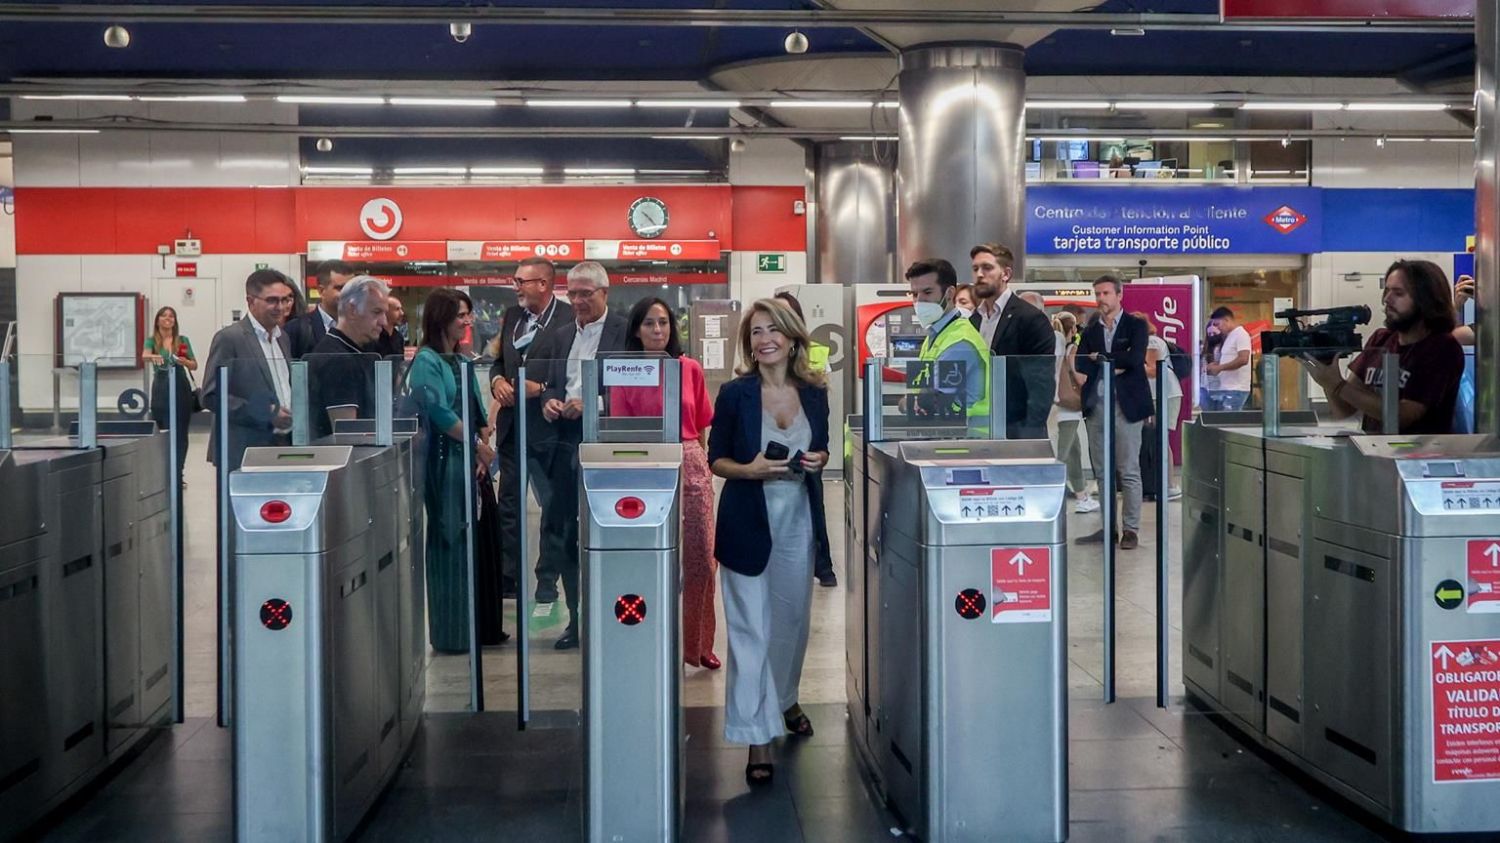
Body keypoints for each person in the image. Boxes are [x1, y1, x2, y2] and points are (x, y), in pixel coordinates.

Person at [708, 298, 831, 785]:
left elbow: (820, 445)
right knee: (749, 631)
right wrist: (750, 469)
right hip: (745, 521)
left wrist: (817, 458)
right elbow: (716, 458)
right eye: (755, 333)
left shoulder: (816, 392)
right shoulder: (735, 394)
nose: (764, 340)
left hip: (797, 522)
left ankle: (782, 699)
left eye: (772, 330)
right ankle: (756, 736)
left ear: (792, 336)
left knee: (790, 623)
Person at [609, 296, 721, 670]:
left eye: (663, 323)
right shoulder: (625, 371)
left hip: (689, 463)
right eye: (649, 324)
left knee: (702, 558)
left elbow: (702, 422)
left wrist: (699, 464)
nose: (658, 330)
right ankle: (648, 638)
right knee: (650, 558)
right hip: (644, 465)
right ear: (636, 331)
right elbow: (622, 431)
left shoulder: (688, 368)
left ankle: (698, 644)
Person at [533, 260, 629, 650]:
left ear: (605, 293)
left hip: (609, 444)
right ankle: (578, 618)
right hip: (564, 444)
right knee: (565, 535)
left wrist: (593, 404)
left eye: (586, 293)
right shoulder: (558, 337)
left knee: (611, 531)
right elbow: (548, 384)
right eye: (571, 293)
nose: (577, 301)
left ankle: (619, 616)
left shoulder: (625, 332)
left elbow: (633, 387)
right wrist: (549, 401)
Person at [406, 288, 505, 652]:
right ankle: (451, 633)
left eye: (469, 314)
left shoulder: (461, 361)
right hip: (445, 460)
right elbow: (439, 413)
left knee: (473, 541)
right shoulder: (427, 361)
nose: (467, 321)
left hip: (471, 460)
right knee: (449, 538)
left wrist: (482, 446)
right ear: (442, 317)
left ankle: (477, 626)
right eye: (461, 314)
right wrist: (477, 447)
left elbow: (476, 410)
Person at [487, 257, 574, 606]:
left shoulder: (568, 319)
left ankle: (547, 579)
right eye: (516, 281)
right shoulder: (512, 317)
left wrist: (541, 389)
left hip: (549, 428)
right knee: (508, 504)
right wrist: (496, 381)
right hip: (511, 428)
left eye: (523, 281)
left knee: (553, 507)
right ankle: (509, 578)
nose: (517, 287)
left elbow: (575, 371)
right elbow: (498, 359)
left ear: (544, 284)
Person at [1301, 259, 1464, 435]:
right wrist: (1326, 371)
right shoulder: (1381, 340)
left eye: (1398, 293)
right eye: (1386, 291)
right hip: (1375, 452)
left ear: (1426, 300)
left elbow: (1403, 416)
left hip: (1418, 456)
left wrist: (1338, 385)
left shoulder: (1442, 348)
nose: (1387, 299)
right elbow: (1344, 410)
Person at [1074, 275, 1151, 550]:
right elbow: (1082, 362)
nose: (1101, 299)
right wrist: (1111, 361)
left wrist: (1103, 359)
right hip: (1097, 404)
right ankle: (1109, 528)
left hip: (1126, 405)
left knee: (1128, 469)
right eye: (1097, 293)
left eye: (1105, 293)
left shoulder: (1136, 325)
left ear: (1119, 295)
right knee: (1103, 472)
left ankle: (1131, 529)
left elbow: (1135, 358)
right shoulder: (1092, 328)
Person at [200, 269, 295, 473]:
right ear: (251, 301)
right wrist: (266, 412)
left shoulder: (283, 338)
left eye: (284, 300)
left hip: (282, 445)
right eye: (272, 300)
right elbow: (211, 395)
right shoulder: (230, 338)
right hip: (243, 450)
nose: (280, 307)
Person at [772, 291, 836, 588]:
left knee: (813, 499)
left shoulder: (815, 356)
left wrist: (821, 454)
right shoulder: (756, 370)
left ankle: (822, 565)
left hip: (806, 443)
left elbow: (821, 420)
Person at [969, 243, 1056, 439]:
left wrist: (1029, 435)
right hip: (979, 427)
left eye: (987, 268)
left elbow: (1041, 385)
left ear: (1006, 274)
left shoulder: (1030, 318)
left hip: (1017, 428)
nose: (979, 275)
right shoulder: (974, 320)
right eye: (975, 269)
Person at [905, 258, 989, 428]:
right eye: (915, 294)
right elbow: (918, 395)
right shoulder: (935, 336)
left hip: (969, 438)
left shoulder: (960, 341)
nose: (919, 301)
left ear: (950, 294)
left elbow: (928, 401)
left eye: (927, 292)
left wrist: (910, 402)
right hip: (948, 433)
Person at [307, 275, 389, 440]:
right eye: (376, 312)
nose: (384, 321)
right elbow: (347, 435)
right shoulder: (337, 359)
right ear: (352, 310)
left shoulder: (360, 351)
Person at [143, 305, 198, 481]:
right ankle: (163, 470)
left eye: (171, 316)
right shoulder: (152, 340)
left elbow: (194, 364)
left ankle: (178, 471)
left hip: (180, 385)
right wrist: (153, 357)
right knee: (162, 428)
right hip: (161, 385)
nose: (168, 319)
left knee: (181, 431)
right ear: (158, 319)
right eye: (164, 316)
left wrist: (184, 361)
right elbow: (144, 355)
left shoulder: (182, 340)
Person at [1053, 312, 1096, 513]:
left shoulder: (1056, 343)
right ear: (1072, 330)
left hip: (1062, 406)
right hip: (1067, 407)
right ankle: (1054, 492)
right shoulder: (1068, 346)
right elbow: (1078, 377)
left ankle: (1081, 495)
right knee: (1063, 453)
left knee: (1073, 452)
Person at [1139, 313, 1185, 503]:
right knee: (1156, 438)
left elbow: (1152, 370)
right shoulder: (1148, 342)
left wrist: (1128, 365)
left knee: (1160, 438)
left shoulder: (1152, 342)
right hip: (1157, 393)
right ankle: (1161, 482)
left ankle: (1168, 484)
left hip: (1163, 394)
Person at [287, 259, 356, 359]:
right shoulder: (297, 329)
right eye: (340, 288)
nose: (348, 293)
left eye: (352, 288)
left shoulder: (362, 327)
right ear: (321, 290)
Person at [1205, 306, 1252, 410]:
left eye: (1218, 324)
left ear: (1227, 320)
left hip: (1236, 389)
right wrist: (1216, 365)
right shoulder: (1229, 336)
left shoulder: (1241, 334)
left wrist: (1220, 368)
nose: (1217, 328)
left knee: (1228, 421)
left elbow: (1243, 359)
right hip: (1227, 388)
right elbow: (1230, 358)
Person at [372, 293, 407, 358]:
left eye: (401, 309)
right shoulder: (373, 336)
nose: (402, 313)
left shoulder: (399, 337)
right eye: (397, 309)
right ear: (385, 311)